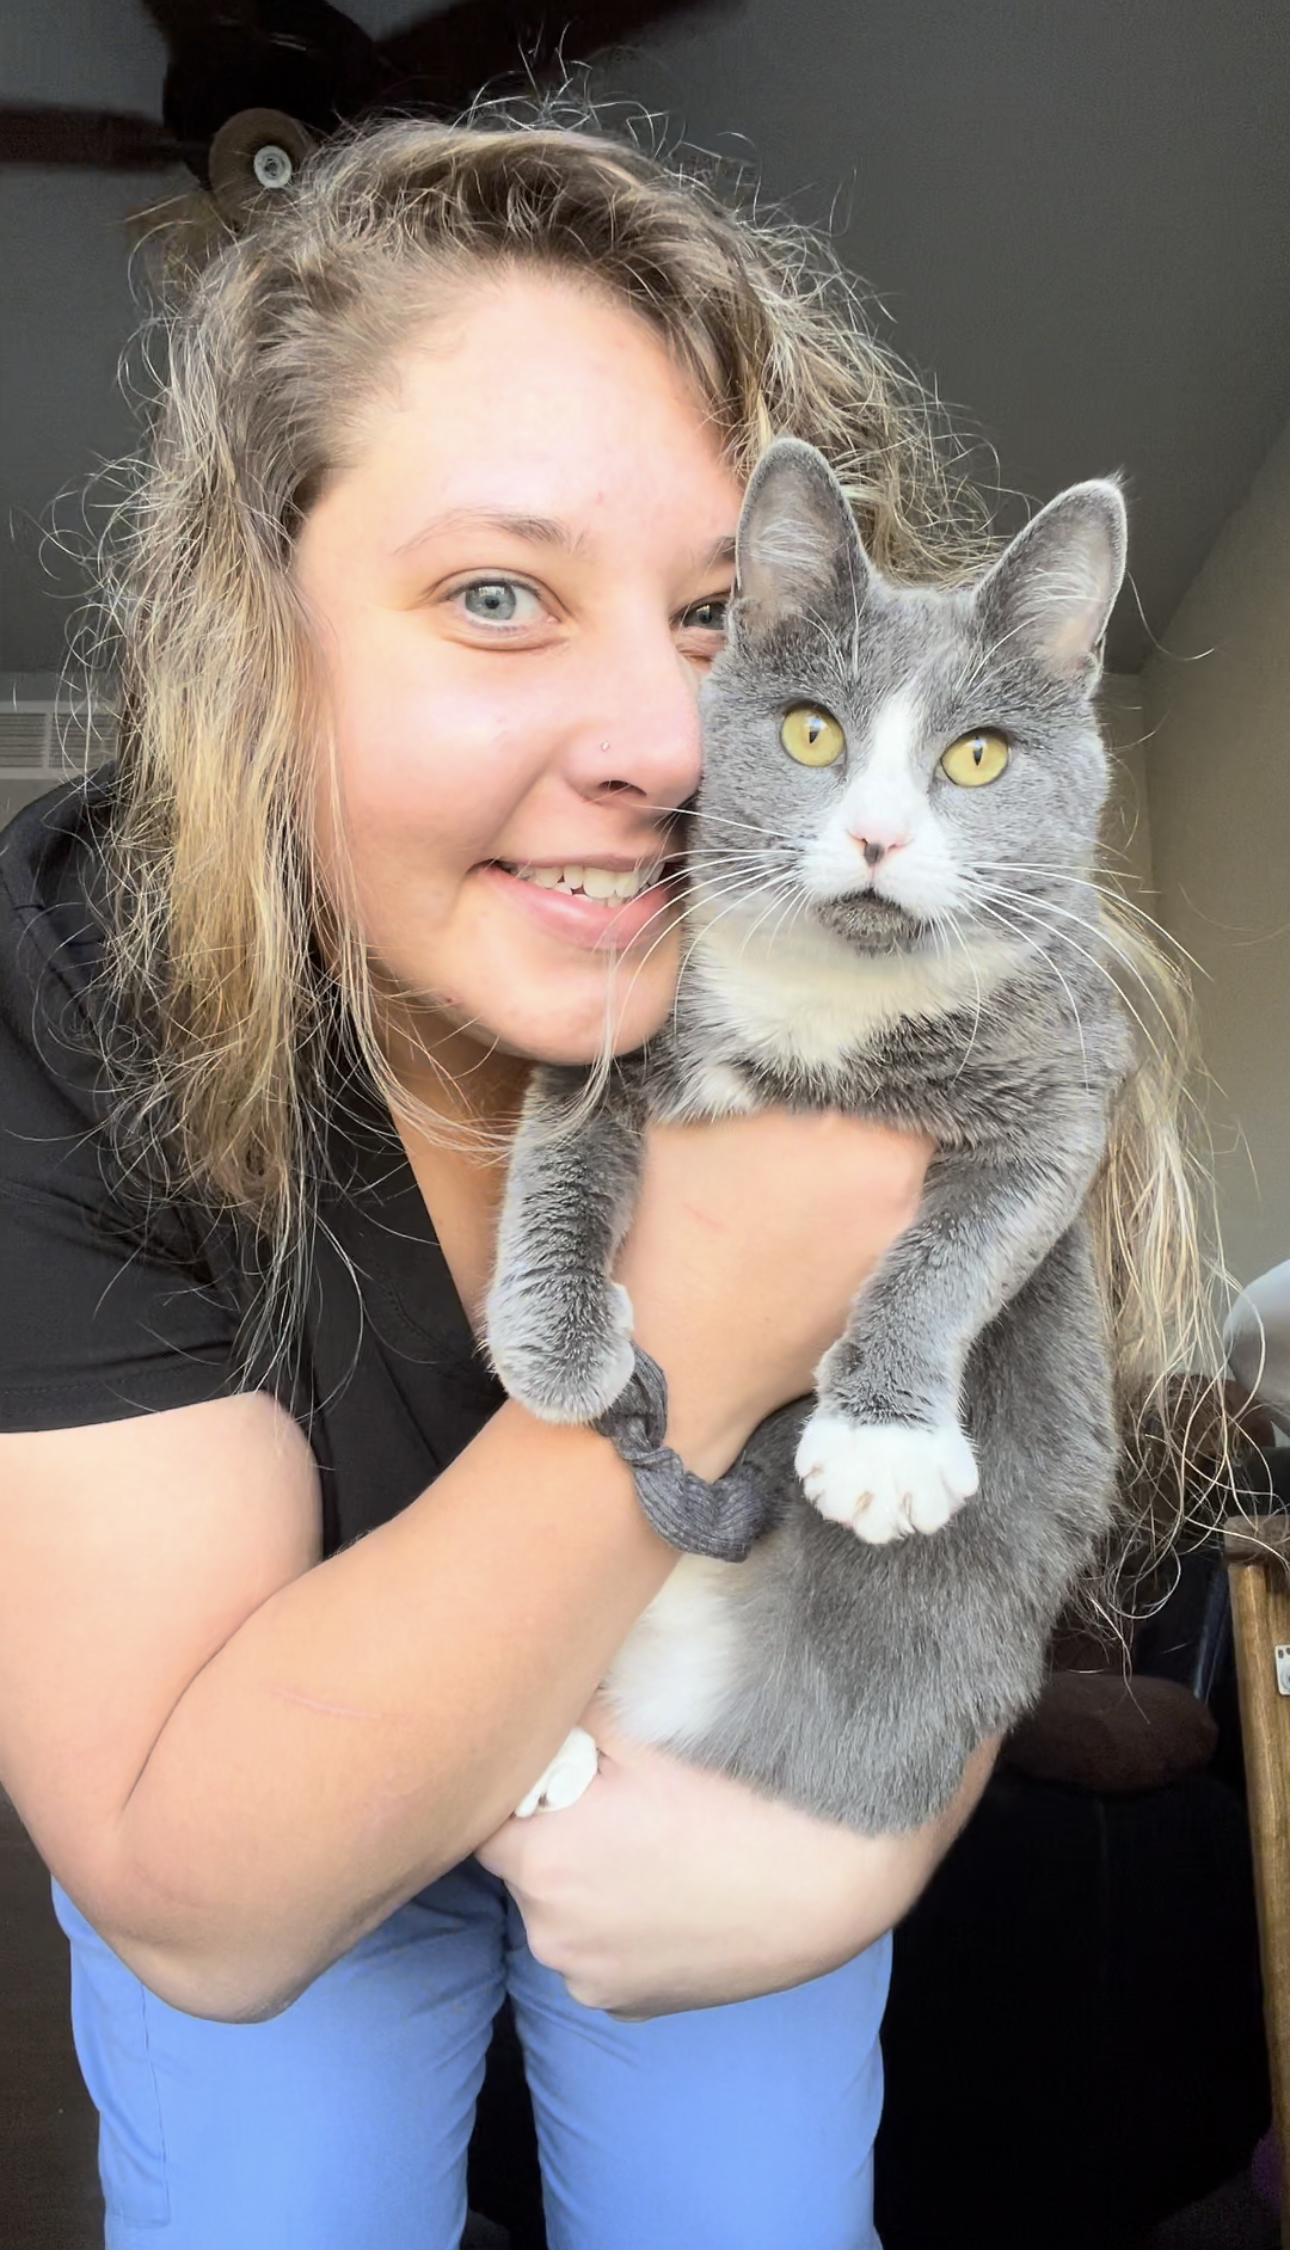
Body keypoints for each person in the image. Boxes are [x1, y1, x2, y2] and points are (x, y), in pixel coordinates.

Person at [1, 113, 1036, 2250]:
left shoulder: (881, 926)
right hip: (279, 1766)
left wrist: (878, 1840)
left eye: (726, 619)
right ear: (253, 646)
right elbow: (201, 1895)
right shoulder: (64, 987)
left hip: (720, 1738)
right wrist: (704, 1338)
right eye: (498, 596)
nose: (670, 741)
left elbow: (1001, 1459)